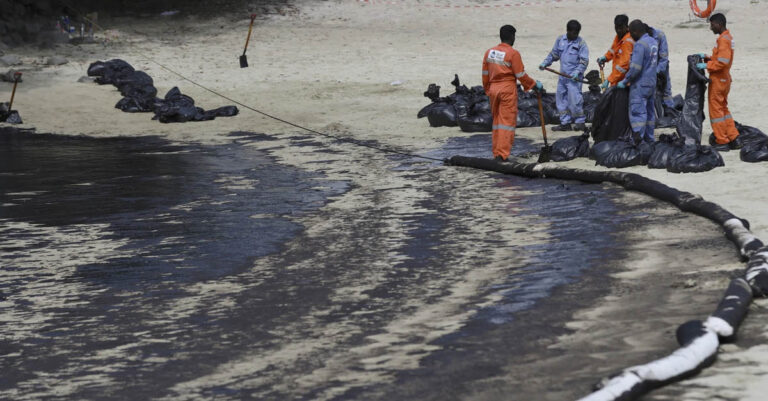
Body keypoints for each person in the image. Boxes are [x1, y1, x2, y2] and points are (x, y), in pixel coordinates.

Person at [482, 24, 543, 161]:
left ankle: (497, 152)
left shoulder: (490, 52)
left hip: (493, 89)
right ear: (512, 37)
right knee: (506, 123)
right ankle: (502, 155)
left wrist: (487, 89)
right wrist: (534, 85)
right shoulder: (513, 54)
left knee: (497, 121)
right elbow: (520, 75)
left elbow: (485, 73)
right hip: (507, 90)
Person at [697, 13, 741, 149]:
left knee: (716, 110)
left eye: (712, 24)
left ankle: (722, 140)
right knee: (723, 108)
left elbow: (722, 62)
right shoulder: (727, 38)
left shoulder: (723, 40)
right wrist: (708, 58)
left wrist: (707, 65)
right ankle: (733, 137)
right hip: (724, 78)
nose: (711, 28)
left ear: (719, 24)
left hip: (719, 79)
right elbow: (721, 59)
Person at [539, 19, 589, 132]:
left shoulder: (581, 43)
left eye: (577, 33)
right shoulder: (560, 40)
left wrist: (577, 72)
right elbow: (554, 54)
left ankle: (580, 122)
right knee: (561, 100)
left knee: (575, 100)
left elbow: (584, 61)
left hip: (574, 78)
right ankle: (565, 123)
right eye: (573, 33)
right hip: (562, 77)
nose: (575, 35)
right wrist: (545, 63)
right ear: (568, 31)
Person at [618, 19, 658, 144]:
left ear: (636, 32)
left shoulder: (640, 45)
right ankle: (649, 139)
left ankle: (638, 140)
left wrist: (625, 81)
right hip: (651, 83)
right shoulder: (653, 41)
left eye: (631, 33)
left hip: (640, 85)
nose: (630, 36)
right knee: (650, 113)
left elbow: (635, 68)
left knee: (638, 113)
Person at [597, 15, 634, 89]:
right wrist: (605, 57)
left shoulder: (628, 42)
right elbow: (613, 50)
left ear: (626, 27)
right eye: (616, 28)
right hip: (617, 79)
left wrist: (609, 79)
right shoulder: (618, 37)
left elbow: (624, 65)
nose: (618, 30)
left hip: (624, 83)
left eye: (621, 28)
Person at [646, 24, 674, 108]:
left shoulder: (660, 35)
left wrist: (656, 72)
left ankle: (670, 112)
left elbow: (664, 58)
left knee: (666, 92)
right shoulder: (642, 38)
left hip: (662, 68)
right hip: (650, 69)